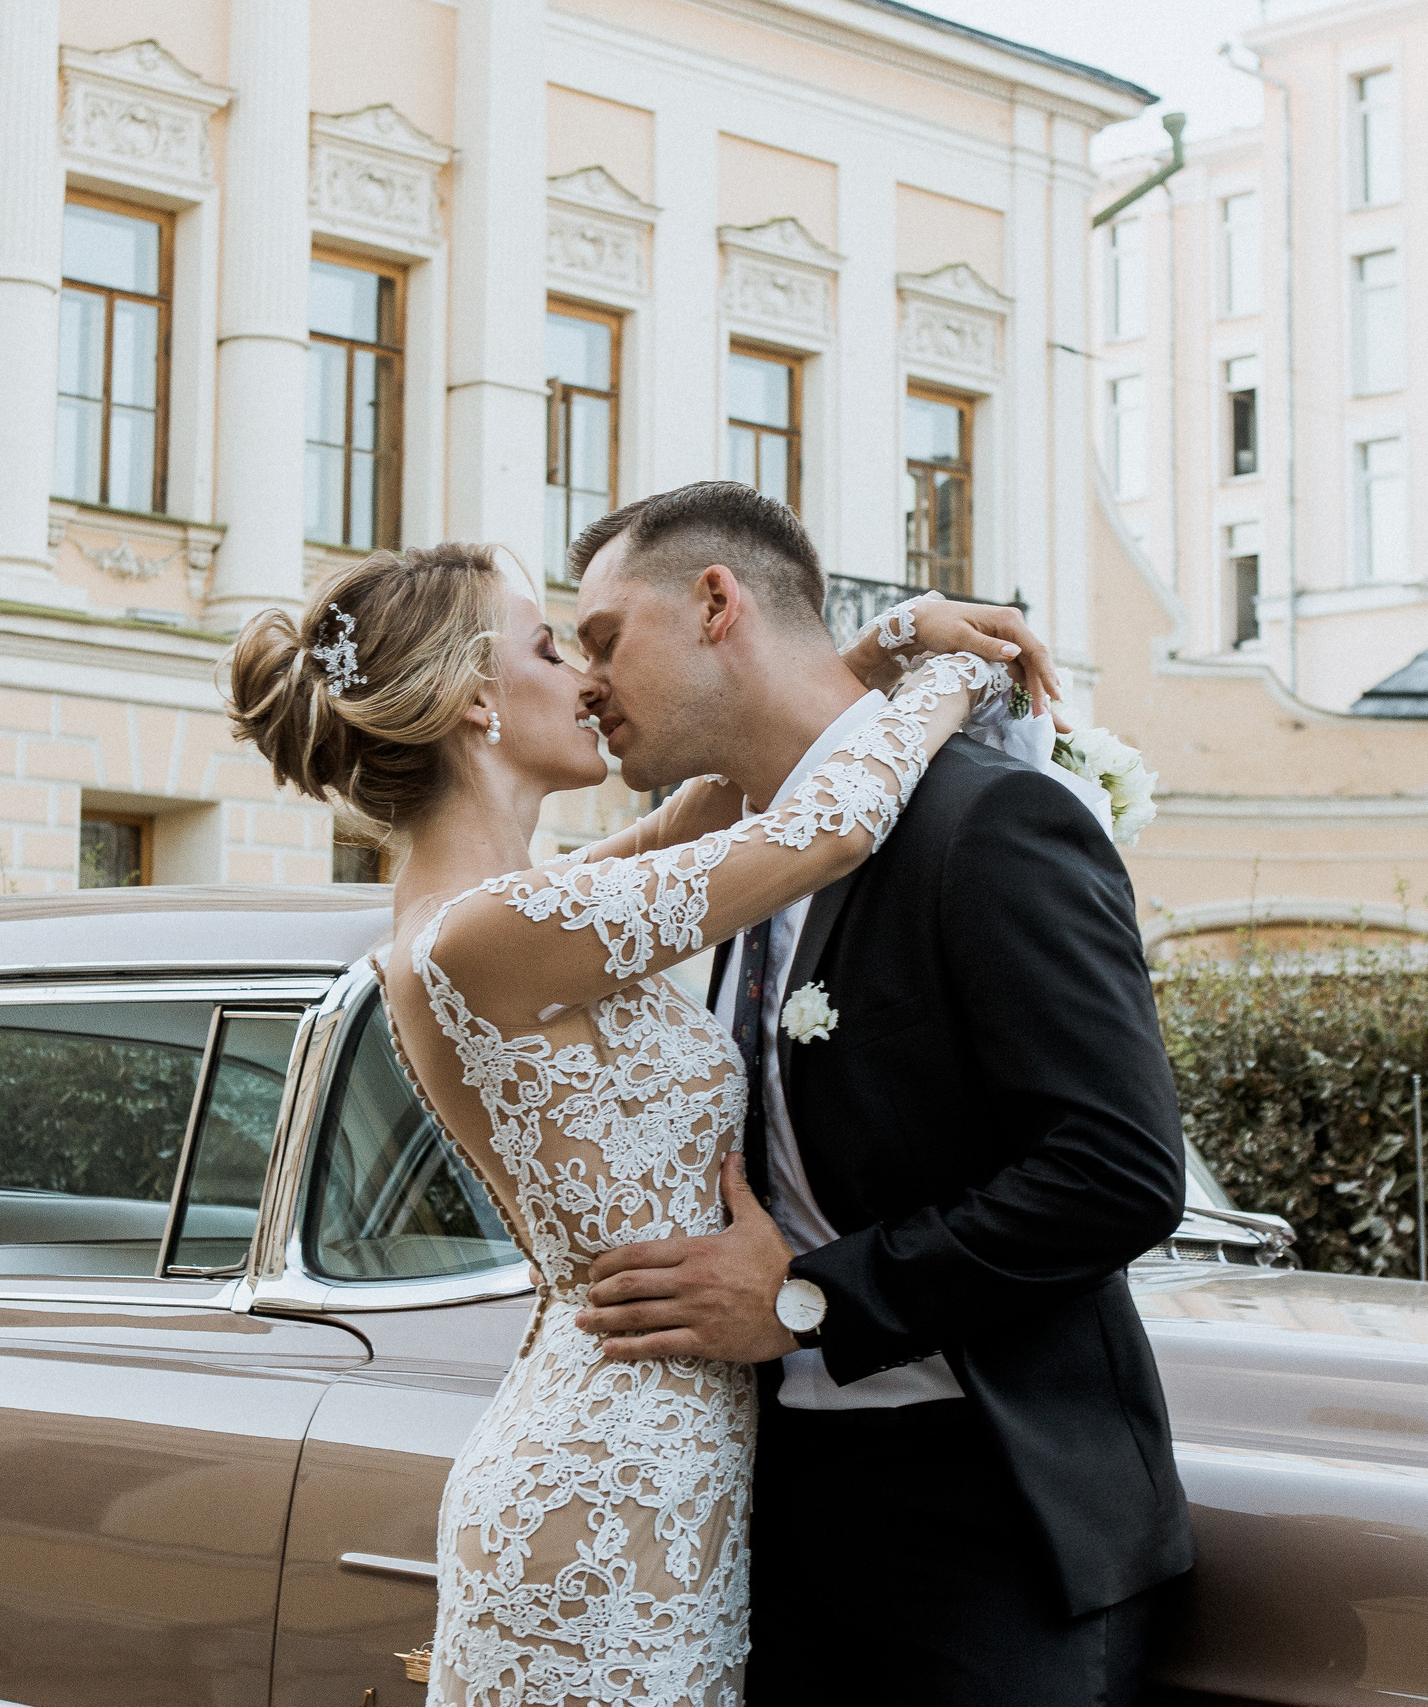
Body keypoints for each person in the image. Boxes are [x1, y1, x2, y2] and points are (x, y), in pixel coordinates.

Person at [225, 501, 1048, 1707]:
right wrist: (950, 674)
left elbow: (702, 812)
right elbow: (824, 829)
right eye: (553, 649)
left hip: (670, 1455)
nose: (590, 679)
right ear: (474, 702)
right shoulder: (478, 935)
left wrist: (864, 652)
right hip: (606, 1484)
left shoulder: (506, 909)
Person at [566, 482, 1193, 1705]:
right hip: (778, 1509)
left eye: (601, 639)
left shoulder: (990, 821)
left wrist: (809, 1301)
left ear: (714, 603)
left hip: (994, 1517)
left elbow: (1116, 1172)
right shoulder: (742, 867)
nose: (588, 682)